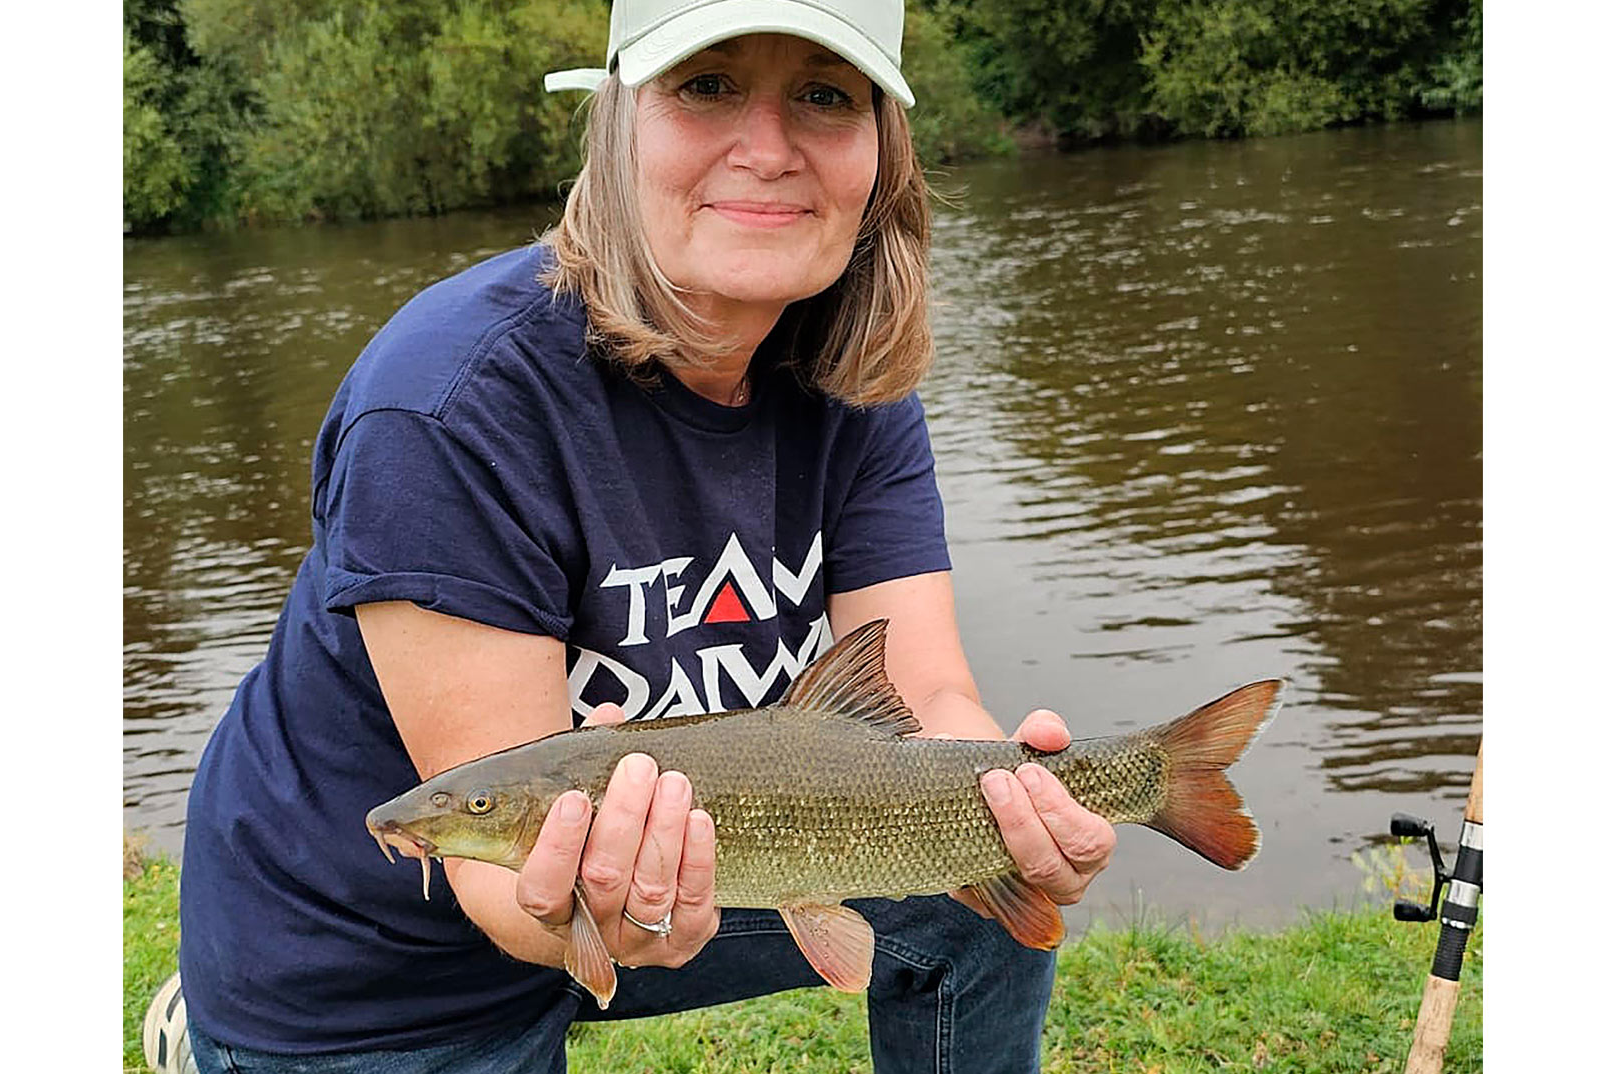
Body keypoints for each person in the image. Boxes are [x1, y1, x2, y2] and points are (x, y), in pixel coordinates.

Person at [174, 2, 1118, 1071]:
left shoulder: (857, 384)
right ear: (617, 126)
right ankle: (212, 1030)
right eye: (706, 85)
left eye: (824, 94)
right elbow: (500, 874)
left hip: (680, 864)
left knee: (966, 890)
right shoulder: (442, 407)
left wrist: (1012, 808)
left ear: (881, 158)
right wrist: (601, 905)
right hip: (373, 966)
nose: (766, 150)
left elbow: (927, 703)